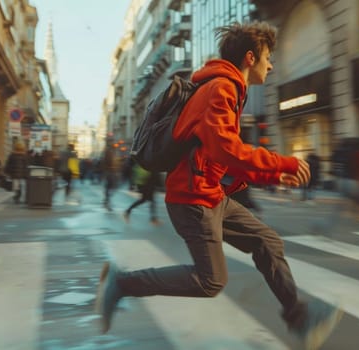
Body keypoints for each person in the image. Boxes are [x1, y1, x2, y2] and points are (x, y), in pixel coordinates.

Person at [96, 21, 342, 349]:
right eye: (269, 58)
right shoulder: (220, 89)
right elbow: (225, 148)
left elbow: (220, 155)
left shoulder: (226, 89)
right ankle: (121, 284)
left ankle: (299, 317)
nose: (272, 65)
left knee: (267, 241)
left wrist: (271, 175)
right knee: (210, 280)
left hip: (210, 194)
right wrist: (284, 163)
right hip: (192, 199)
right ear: (251, 58)